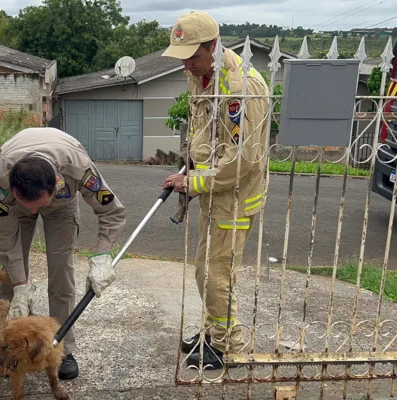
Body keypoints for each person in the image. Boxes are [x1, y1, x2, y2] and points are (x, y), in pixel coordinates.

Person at [161, 10, 270, 369]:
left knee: (216, 274)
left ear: (213, 46)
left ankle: (225, 345)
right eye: (182, 58)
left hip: (235, 197)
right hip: (213, 190)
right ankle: (211, 332)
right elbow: (205, 131)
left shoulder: (242, 89)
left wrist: (191, 182)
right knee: (204, 271)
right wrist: (191, 163)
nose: (186, 67)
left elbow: (242, 161)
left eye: (192, 57)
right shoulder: (202, 75)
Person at [0, 127, 127, 379]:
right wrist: (21, 284)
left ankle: (62, 347)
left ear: (55, 186)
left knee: (61, 271)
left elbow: (111, 211)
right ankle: (2, 346)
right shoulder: (0, 179)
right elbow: (5, 237)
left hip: (61, 207)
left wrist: (103, 257)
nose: (33, 214)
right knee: (10, 274)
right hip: (13, 209)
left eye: (37, 207)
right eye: (27, 206)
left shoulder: (77, 168)